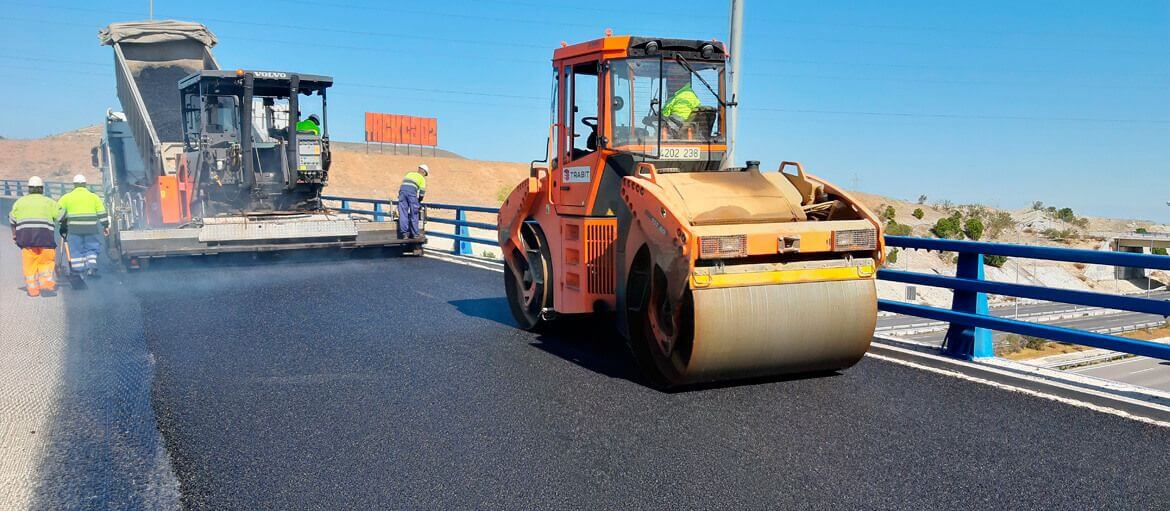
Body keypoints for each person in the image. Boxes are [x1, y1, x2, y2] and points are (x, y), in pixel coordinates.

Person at [9, 176, 66, 297]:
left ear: (29, 189)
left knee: (29, 265)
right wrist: (64, 227)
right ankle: (46, 286)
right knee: (45, 263)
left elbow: (12, 220)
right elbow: (62, 216)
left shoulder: (19, 202)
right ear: (42, 189)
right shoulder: (49, 202)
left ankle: (33, 290)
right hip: (46, 239)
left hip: (26, 240)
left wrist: (15, 235)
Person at [57, 174, 109, 278]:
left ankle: (78, 272)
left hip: (74, 229)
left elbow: (59, 214)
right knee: (92, 248)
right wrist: (105, 226)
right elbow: (102, 213)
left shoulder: (66, 197)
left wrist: (62, 224)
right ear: (85, 184)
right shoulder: (94, 197)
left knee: (76, 249)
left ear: (74, 185)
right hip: (91, 228)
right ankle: (91, 267)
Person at [397, 164, 427, 243]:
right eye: (425, 174)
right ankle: (415, 234)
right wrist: (419, 200)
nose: (424, 176)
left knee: (403, 213)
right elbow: (422, 192)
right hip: (411, 194)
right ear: (423, 172)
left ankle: (404, 234)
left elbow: (403, 185)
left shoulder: (409, 174)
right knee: (414, 213)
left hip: (402, 193)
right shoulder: (422, 178)